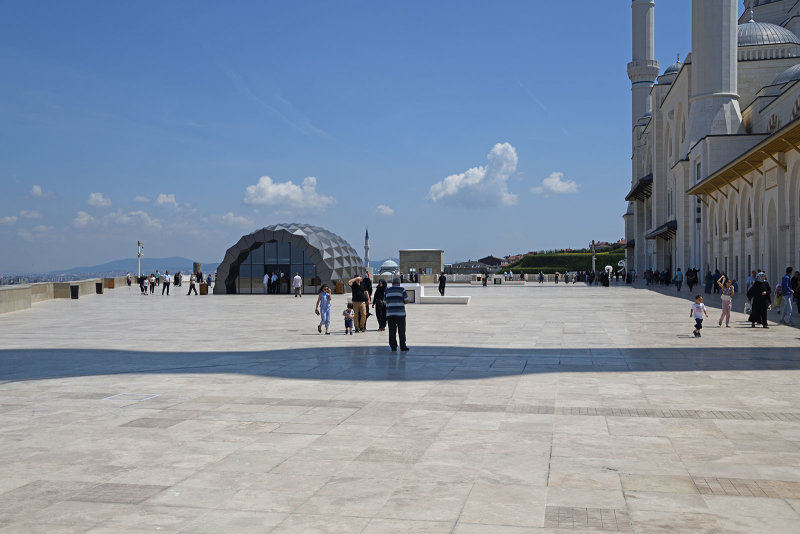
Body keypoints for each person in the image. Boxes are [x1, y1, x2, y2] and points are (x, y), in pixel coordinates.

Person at [385, 277, 409, 351]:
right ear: (399, 283)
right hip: (400, 314)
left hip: (390, 314)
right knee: (401, 330)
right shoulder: (402, 289)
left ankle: (393, 346)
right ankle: (403, 346)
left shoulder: (387, 290)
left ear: (392, 283)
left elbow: (384, 301)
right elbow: (406, 300)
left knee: (391, 330)